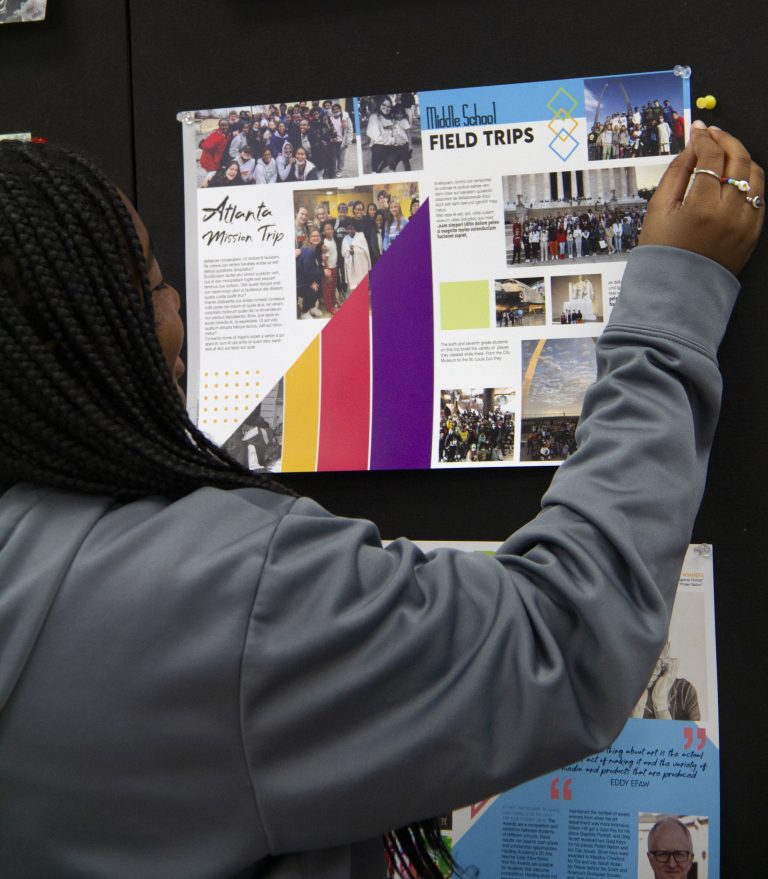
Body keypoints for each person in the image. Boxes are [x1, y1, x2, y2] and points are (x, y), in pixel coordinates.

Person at [0, 125, 763, 879]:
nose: (175, 321)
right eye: (159, 282)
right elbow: (560, 639)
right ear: (78, 331)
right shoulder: (221, 593)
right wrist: (675, 299)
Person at [631, 642, 700, 720]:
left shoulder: (685, 691)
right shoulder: (620, 690)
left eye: (659, 659)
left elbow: (697, 731)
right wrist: (637, 709)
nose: (654, 668)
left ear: (667, 649)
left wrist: (660, 703)